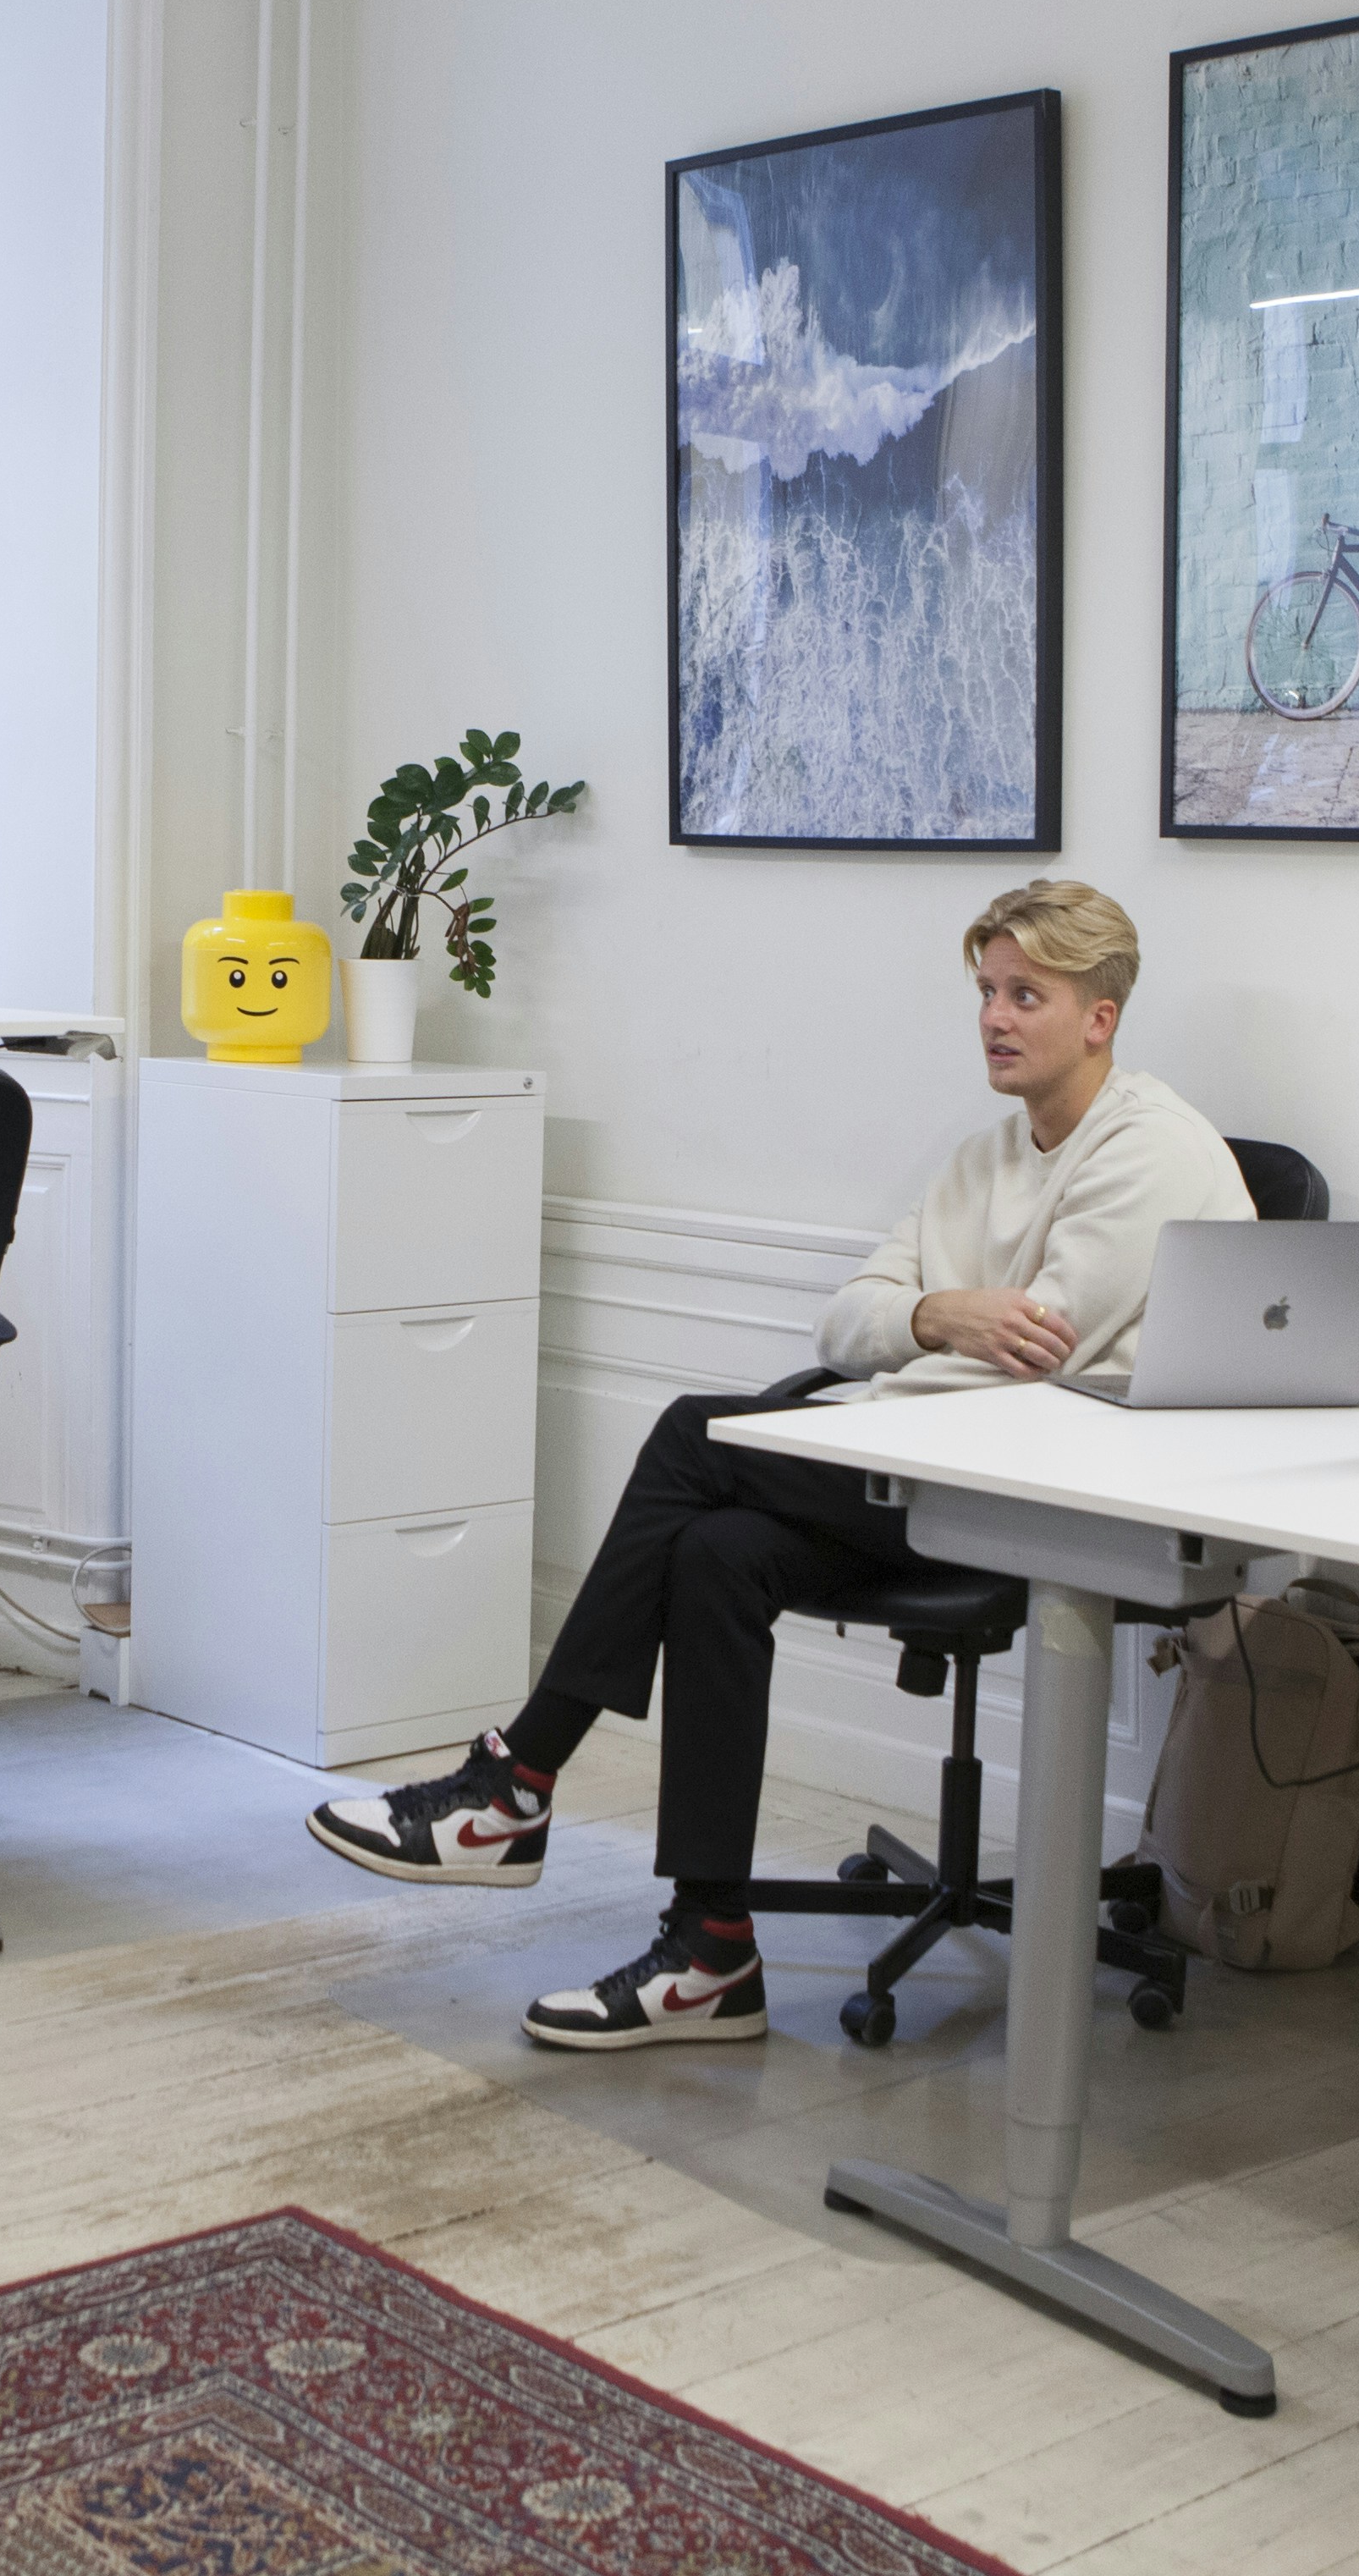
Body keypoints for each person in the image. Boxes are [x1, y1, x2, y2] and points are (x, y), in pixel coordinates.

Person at [305, 878, 1250, 2050]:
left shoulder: (1149, 1151)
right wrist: (938, 1316)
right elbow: (847, 1321)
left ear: (1100, 1015)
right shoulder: (979, 1159)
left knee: (696, 1434)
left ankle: (516, 1780)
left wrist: (926, 1333)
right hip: (928, 1461)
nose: (995, 1019)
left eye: (1027, 996)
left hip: (1046, 1501)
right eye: (987, 993)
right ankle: (711, 1953)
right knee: (716, 1551)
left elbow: (1036, 1353)